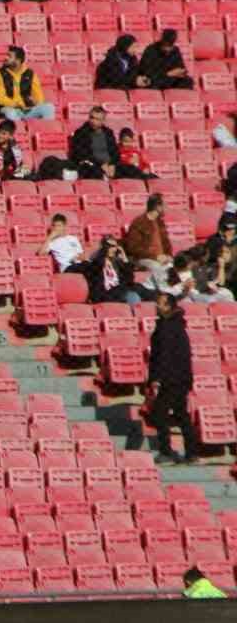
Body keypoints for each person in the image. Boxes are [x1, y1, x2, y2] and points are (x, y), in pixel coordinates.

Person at [147, 293, 195, 464]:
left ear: (168, 306)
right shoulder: (177, 325)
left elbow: (163, 355)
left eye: (160, 303)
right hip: (181, 378)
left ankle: (166, 452)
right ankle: (191, 453)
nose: (156, 306)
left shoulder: (167, 327)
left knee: (159, 414)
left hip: (171, 379)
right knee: (182, 415)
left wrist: (157, 378)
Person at [124, 194, 174, 291]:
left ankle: (176, 290)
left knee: (173, 266)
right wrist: (155, 256)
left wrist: (168, 255)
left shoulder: (160, 223)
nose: (166, 208)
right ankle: (165, 292)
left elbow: (166, 243)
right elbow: (133, 247)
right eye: (164, 205)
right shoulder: (139, 223)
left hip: (161, 257)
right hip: (143, 258)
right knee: (156, 266)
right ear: (157, 207)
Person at [0, 46, 53, 121]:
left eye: (9, 56)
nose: (5, 58)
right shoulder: (0, 73)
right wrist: (16, 104)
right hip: (10, 108)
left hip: (26, 110)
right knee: (10, 113)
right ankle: (19, 131)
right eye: (6, 55)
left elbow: (39, 96)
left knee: (48, 108)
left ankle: (42, 130)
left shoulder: (30, 73)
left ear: (18, 60)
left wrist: (35, 103)